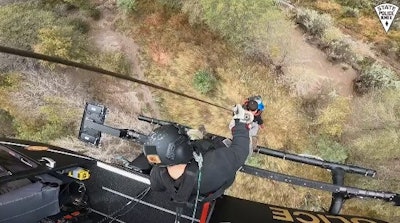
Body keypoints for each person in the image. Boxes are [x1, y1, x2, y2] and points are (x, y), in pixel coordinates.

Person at [143, 105, 253, 215]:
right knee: (233, 146)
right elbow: (241, 151)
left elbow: (155, 186)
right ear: (183, 150)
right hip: (217, 177)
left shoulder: (158, 174)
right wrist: (241, 122)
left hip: (200, 188)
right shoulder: (216, 165)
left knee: (199, 138)